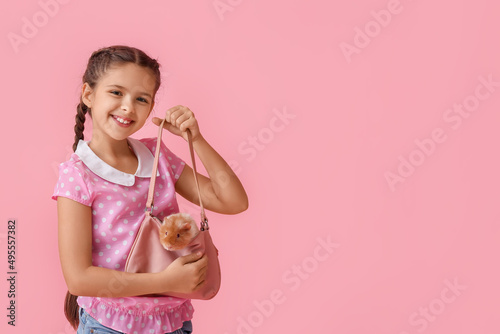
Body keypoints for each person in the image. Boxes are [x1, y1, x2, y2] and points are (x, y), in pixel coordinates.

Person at [52, 45, 248, 334]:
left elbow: (233, 201)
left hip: (172, 324)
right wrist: (166, 282)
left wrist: (196, 139)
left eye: (141, 99)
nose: (128, 107)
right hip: (109, 326)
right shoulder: (77, 176)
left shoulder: (158, 156)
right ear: (88, 95)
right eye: (116, 92)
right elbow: (79, 279)